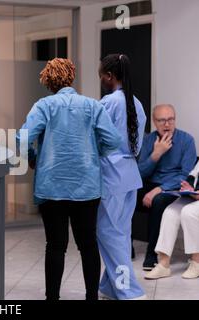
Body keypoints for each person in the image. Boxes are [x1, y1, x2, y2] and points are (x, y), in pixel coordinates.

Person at [18, 58, 121, 300]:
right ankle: (91, 297)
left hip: (50, 186)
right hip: (86, 187)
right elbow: (114, 140)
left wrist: (33, 157)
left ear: (48, 81)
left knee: (55, 246)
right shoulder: (92, 106)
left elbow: (22, 138)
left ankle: (52, 297)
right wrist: (96, 153)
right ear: (71, 77)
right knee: (88, 245)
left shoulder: (43, 106)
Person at [96, 54, 147, 300]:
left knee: (107, 232)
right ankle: (110, 287)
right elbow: (137, 146)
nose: (101, 79)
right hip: (130, 175)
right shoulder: (136, 103)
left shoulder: (108, 102)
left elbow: (97, 138)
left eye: (101, 74)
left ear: (109, 76)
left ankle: (131, 292)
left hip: (111, 175)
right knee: (121, 233)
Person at [137, 104, 196, 270]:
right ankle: (125, 246)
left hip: (174, 187)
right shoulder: (148, 140)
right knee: (125, 192)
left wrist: (158, 190)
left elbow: (186, 175)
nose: (167, 124)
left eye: (171, 119)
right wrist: (156, 155)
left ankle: (152, 254)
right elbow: (140, 173)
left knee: (159, 201)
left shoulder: (187, 140)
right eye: (162, 120)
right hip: (151, 182)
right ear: (155, 123)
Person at [144, 162, 199, 280]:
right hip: (195, 196)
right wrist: (188, 188)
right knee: (170, 212)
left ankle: (197, 262)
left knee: (189, 212)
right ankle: (164, 264)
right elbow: (193, 174)